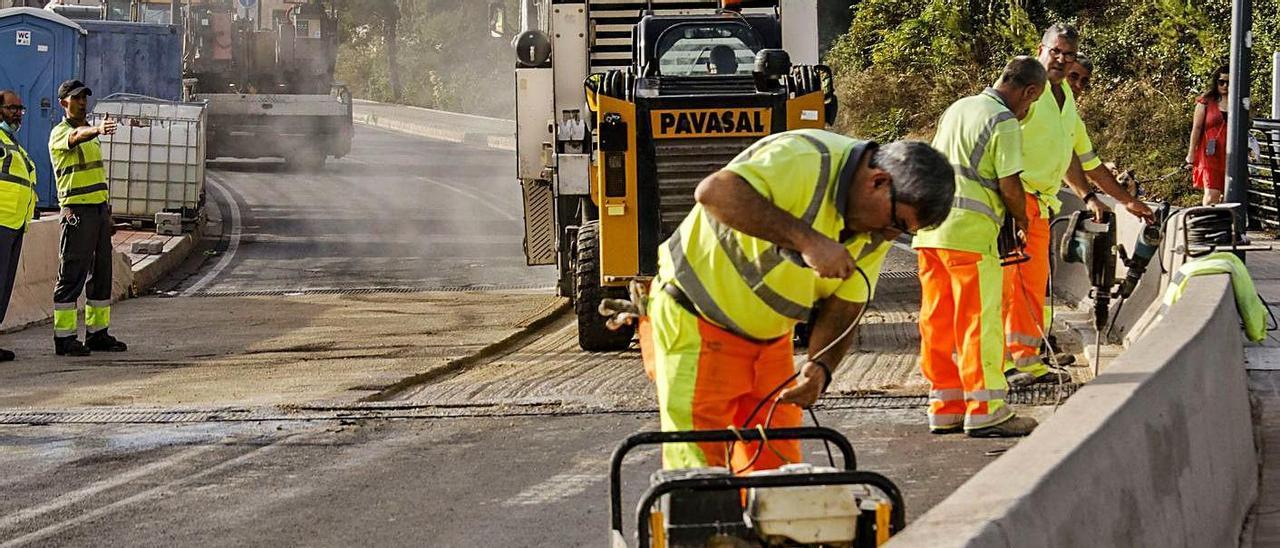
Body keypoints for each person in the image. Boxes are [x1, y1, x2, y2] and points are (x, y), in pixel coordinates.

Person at [642, 129, 954, 471]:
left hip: (771, 343)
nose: (891, 236)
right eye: (897, 222)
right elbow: (714, 192)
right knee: (699, 472)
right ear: (878, 182)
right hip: (697, 323)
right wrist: (809, 242)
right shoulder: (805, 159)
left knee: (779, 473)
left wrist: (820, 368)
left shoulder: (873, 232)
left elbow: (846, 304)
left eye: (904, 231)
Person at [1004, 25, 1154, 387]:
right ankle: (998, 365)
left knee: (1032, 287)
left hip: (1040, 204)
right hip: (1014, 200)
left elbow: (1080, 159)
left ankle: (1028, 359)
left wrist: (1122, 200)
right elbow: (997, 138)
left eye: (1068, 55)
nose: (1061, 60)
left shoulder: (1065, 100)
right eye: (1056, 52)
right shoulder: (1024, 88)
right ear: (1041, 49)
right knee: (1005, 286)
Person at [914, 57, 1045, 437]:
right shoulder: (1002, 120)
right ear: (1029, 91)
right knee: (978, 322)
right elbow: (1009, 184)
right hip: (969, 237)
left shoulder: (959, 108)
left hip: (930, 231)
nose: (1026, 110)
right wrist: (1022, 220)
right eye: (1030, 103)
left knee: (936, 322)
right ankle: (986, 407)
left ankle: (945, 406)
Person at [48, 80, 127, 357]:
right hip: (76, 213)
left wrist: (107, 214)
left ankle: (97, 334)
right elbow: (75, 137)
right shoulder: (60, 133)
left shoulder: (91, 138)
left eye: (84, 97)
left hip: (96, 212)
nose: (82, 102)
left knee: (101, 274)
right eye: (76, 98)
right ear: (63, 103)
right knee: (72, 274)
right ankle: (65, 338)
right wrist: (96, 129)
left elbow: (97, 178)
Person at [0, 91, 39, 362]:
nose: (17, 113)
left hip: (15, 224)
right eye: (12, 108)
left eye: (20, 109)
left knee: (3, 287)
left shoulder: (14, 145)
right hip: (1, 221)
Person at [1185, 65, 1230, 206]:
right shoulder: (1205, 101)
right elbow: (1196, 128)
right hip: (1210, 153)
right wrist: (1191, 153)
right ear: (1215, 82)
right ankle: (1208, 223)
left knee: (1228, 196)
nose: (1224, 85)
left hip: (1230, 153)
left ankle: (1221, 225)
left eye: (1228, 82)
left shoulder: (1239, 101)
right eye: (1221, 81)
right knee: (1212, 195)